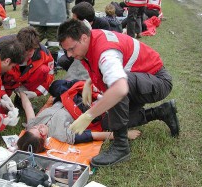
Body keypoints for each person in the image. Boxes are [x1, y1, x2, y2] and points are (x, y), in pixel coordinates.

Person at [57, 19, 180, 167]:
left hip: (158, 81)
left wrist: (89, 115)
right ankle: (161, 112)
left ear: (83, 38)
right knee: (108, 122)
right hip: (141, 81)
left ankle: (121, 148)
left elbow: (120, 88)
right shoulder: (90, 39)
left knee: (114, 88)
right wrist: (90, 81)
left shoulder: (106, 52)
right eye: (66, 51)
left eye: (71, 49)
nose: (69, 55)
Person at [17, 79, 141, 153]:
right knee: (82, 95)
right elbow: (94, 135)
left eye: (35, 127)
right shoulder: (62, 135)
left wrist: (20, 90)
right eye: (40, 131)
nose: (39, 126)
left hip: (63, 97)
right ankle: (92, 90)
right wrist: (125, 135)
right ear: (44, 139)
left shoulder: (32, 125)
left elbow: (27, 107)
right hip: (77, 106)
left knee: (55, 86)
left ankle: (83, 84)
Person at [0, 27, 55, 110]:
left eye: (30, 54)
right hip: (7, 81)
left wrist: (36, 92)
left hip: (27, 80)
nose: (25, 58)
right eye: (24, 53)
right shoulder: (0, 49)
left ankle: (21, 98)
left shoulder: (43, 53)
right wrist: (3, 95)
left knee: (44, 70)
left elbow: (50, 74)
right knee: (0, 109)